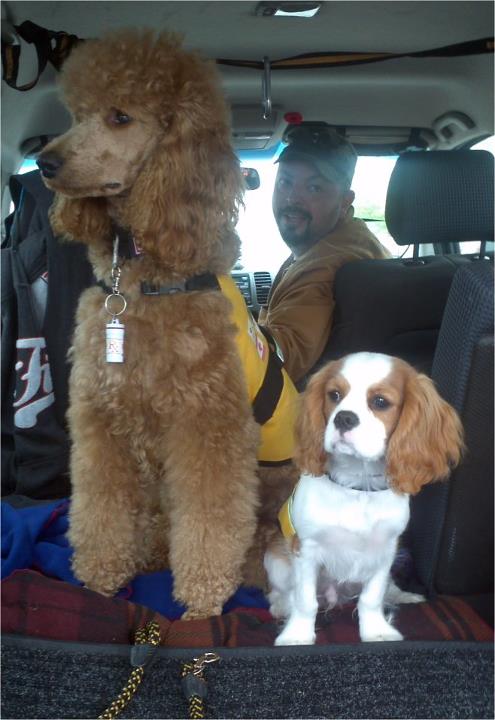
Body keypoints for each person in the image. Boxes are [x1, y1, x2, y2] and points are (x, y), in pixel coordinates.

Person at [258, 123, 391, 384]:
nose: (291, 199)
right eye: (285, 183)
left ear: (345, 202)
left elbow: (280, 358)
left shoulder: (327, 265)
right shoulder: (350, 240)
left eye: (313, 188)